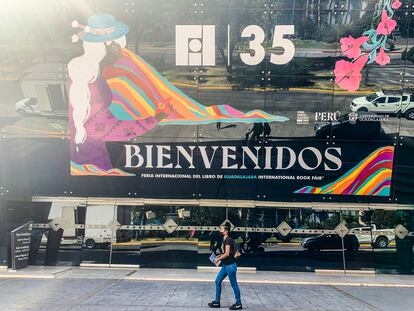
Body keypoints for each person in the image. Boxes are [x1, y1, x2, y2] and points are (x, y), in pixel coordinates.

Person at [208, 222, 242, 310]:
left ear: (226, 231)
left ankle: (238, 303)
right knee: (217, 281)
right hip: (226, 265)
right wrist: (219, 256)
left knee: (234, 284)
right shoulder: (226, 239)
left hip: (230, 266)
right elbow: (226, 253)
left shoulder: (227, 240)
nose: (220, 230)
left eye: (222, 229)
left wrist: (218, 259)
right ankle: (217, 302)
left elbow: (227, 254)